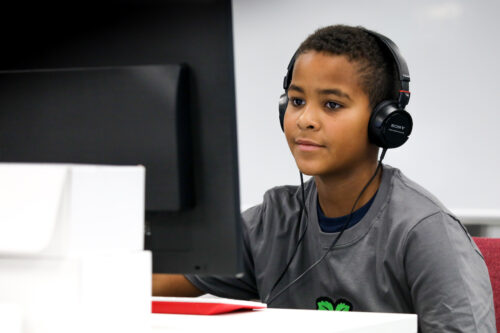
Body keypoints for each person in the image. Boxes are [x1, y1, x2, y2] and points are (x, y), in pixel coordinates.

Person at [153, 25, 496, 332]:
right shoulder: (272, 222)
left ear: (385, 122)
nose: (305, 119)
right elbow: (157, 282)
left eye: (332, 105)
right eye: (297, 100)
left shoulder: (425, 232)